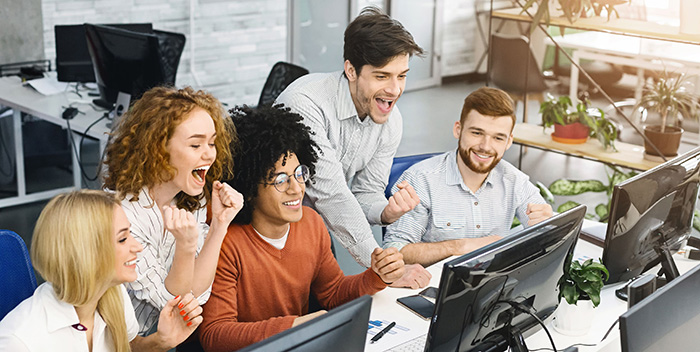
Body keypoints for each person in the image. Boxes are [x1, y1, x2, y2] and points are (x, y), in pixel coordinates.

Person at [198, 105, 406, 351]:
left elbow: (333, 293)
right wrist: (295, 326)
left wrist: (375, 276)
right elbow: (215, 335)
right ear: (250, 189)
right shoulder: (223, 241)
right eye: (281, 180)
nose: (297, 188)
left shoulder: (311, 223)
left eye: (299, 173)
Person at [275, 6, 430, 288]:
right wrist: (382, 263)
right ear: (351, 70)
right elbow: (331, 193)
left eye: (402, 76)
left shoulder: (391, 121)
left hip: (313, 230)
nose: (395, 90)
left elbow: (365, 192)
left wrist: (386, 212)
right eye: (382, 76)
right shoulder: (305, 103)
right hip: (262, 232)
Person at [103, 86, 244, 335]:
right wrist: (187, 246)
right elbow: (174, 305)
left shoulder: (190, 199)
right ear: (158, 149)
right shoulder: (123, 216)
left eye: (211, 143)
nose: (209, 154)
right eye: (195, 145)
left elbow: (196, 296)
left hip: (157, 340)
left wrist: (220, 225)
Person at [0, 190, 203, 352]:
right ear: (87, 251)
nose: (137, 247)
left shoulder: (113, 293)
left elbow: (128, 347)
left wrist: (161, 341)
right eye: (123, 239)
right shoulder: (19, 342)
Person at [383, 87, 553, 267]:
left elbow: (547, 237)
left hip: (492, 286)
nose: (485, 146)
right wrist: (458, 247)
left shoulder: (515, 180)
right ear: (458, 130)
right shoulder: (421, 179)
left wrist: (546, 226)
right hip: (433, 287)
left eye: (498, 138)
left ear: (509, 141)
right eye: (477, 133)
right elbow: (394, 250)